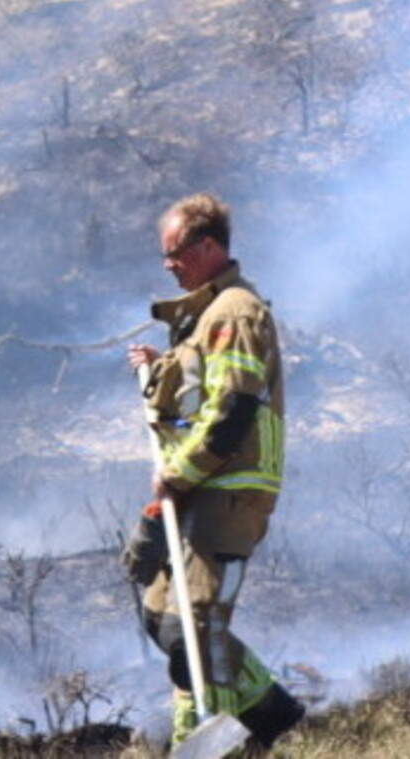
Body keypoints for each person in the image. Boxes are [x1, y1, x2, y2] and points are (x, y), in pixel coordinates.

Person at [122, 195, 302, 751]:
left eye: (174, 253)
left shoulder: (234, 312)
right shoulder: (206, 318)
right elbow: (198, 396)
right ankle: (268, 710)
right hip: (203, 487)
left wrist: (178, 473)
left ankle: (207, 742)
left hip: (227, 487)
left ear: (207, 247)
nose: (168, 265)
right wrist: (160, 369)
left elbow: (231, 409)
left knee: (191, 626)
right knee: (161, 616)